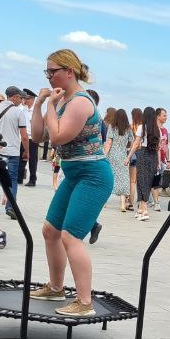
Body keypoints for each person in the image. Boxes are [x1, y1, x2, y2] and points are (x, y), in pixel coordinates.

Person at [27, 49, 113, 315]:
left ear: (69, 72)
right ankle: (56, 288)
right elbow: (38, 136)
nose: (49, 76)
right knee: (50, 231)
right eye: (47, 71)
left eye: (52, 71)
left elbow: (58, 137)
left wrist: (50, 106)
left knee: (71, 235)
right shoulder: (61, 100)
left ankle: (85, 302)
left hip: (93, 176)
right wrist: (39, 104)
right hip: (74, 174)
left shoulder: (80, 102)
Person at [0, 85, 28, 216]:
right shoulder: (19, 112)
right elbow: (24, 136)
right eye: (20, 97)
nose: (21, 100)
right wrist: (26, 151)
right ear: (14, 97)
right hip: (13, 151)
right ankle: (11, 207)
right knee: (12, 179)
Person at [129, 105, 159, 220]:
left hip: (143, 154)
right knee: (147, 181)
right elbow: (158, 148)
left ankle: (145, 210)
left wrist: (129, 156)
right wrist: (158, 162)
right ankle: (140, 209)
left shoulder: (142, 127)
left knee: (142, 181)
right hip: (153, 156)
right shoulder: (157, 130)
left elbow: (136, 143)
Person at [104, 108, 133, 212]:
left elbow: (109, 143)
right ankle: (122, 205)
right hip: (123, 156)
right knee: (123, 179)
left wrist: (104, 155)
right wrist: (128, 152)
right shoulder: (128, 129)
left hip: (112, 156)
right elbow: (132, 142)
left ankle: (104, 202)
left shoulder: (112, 127)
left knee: (109, 178)